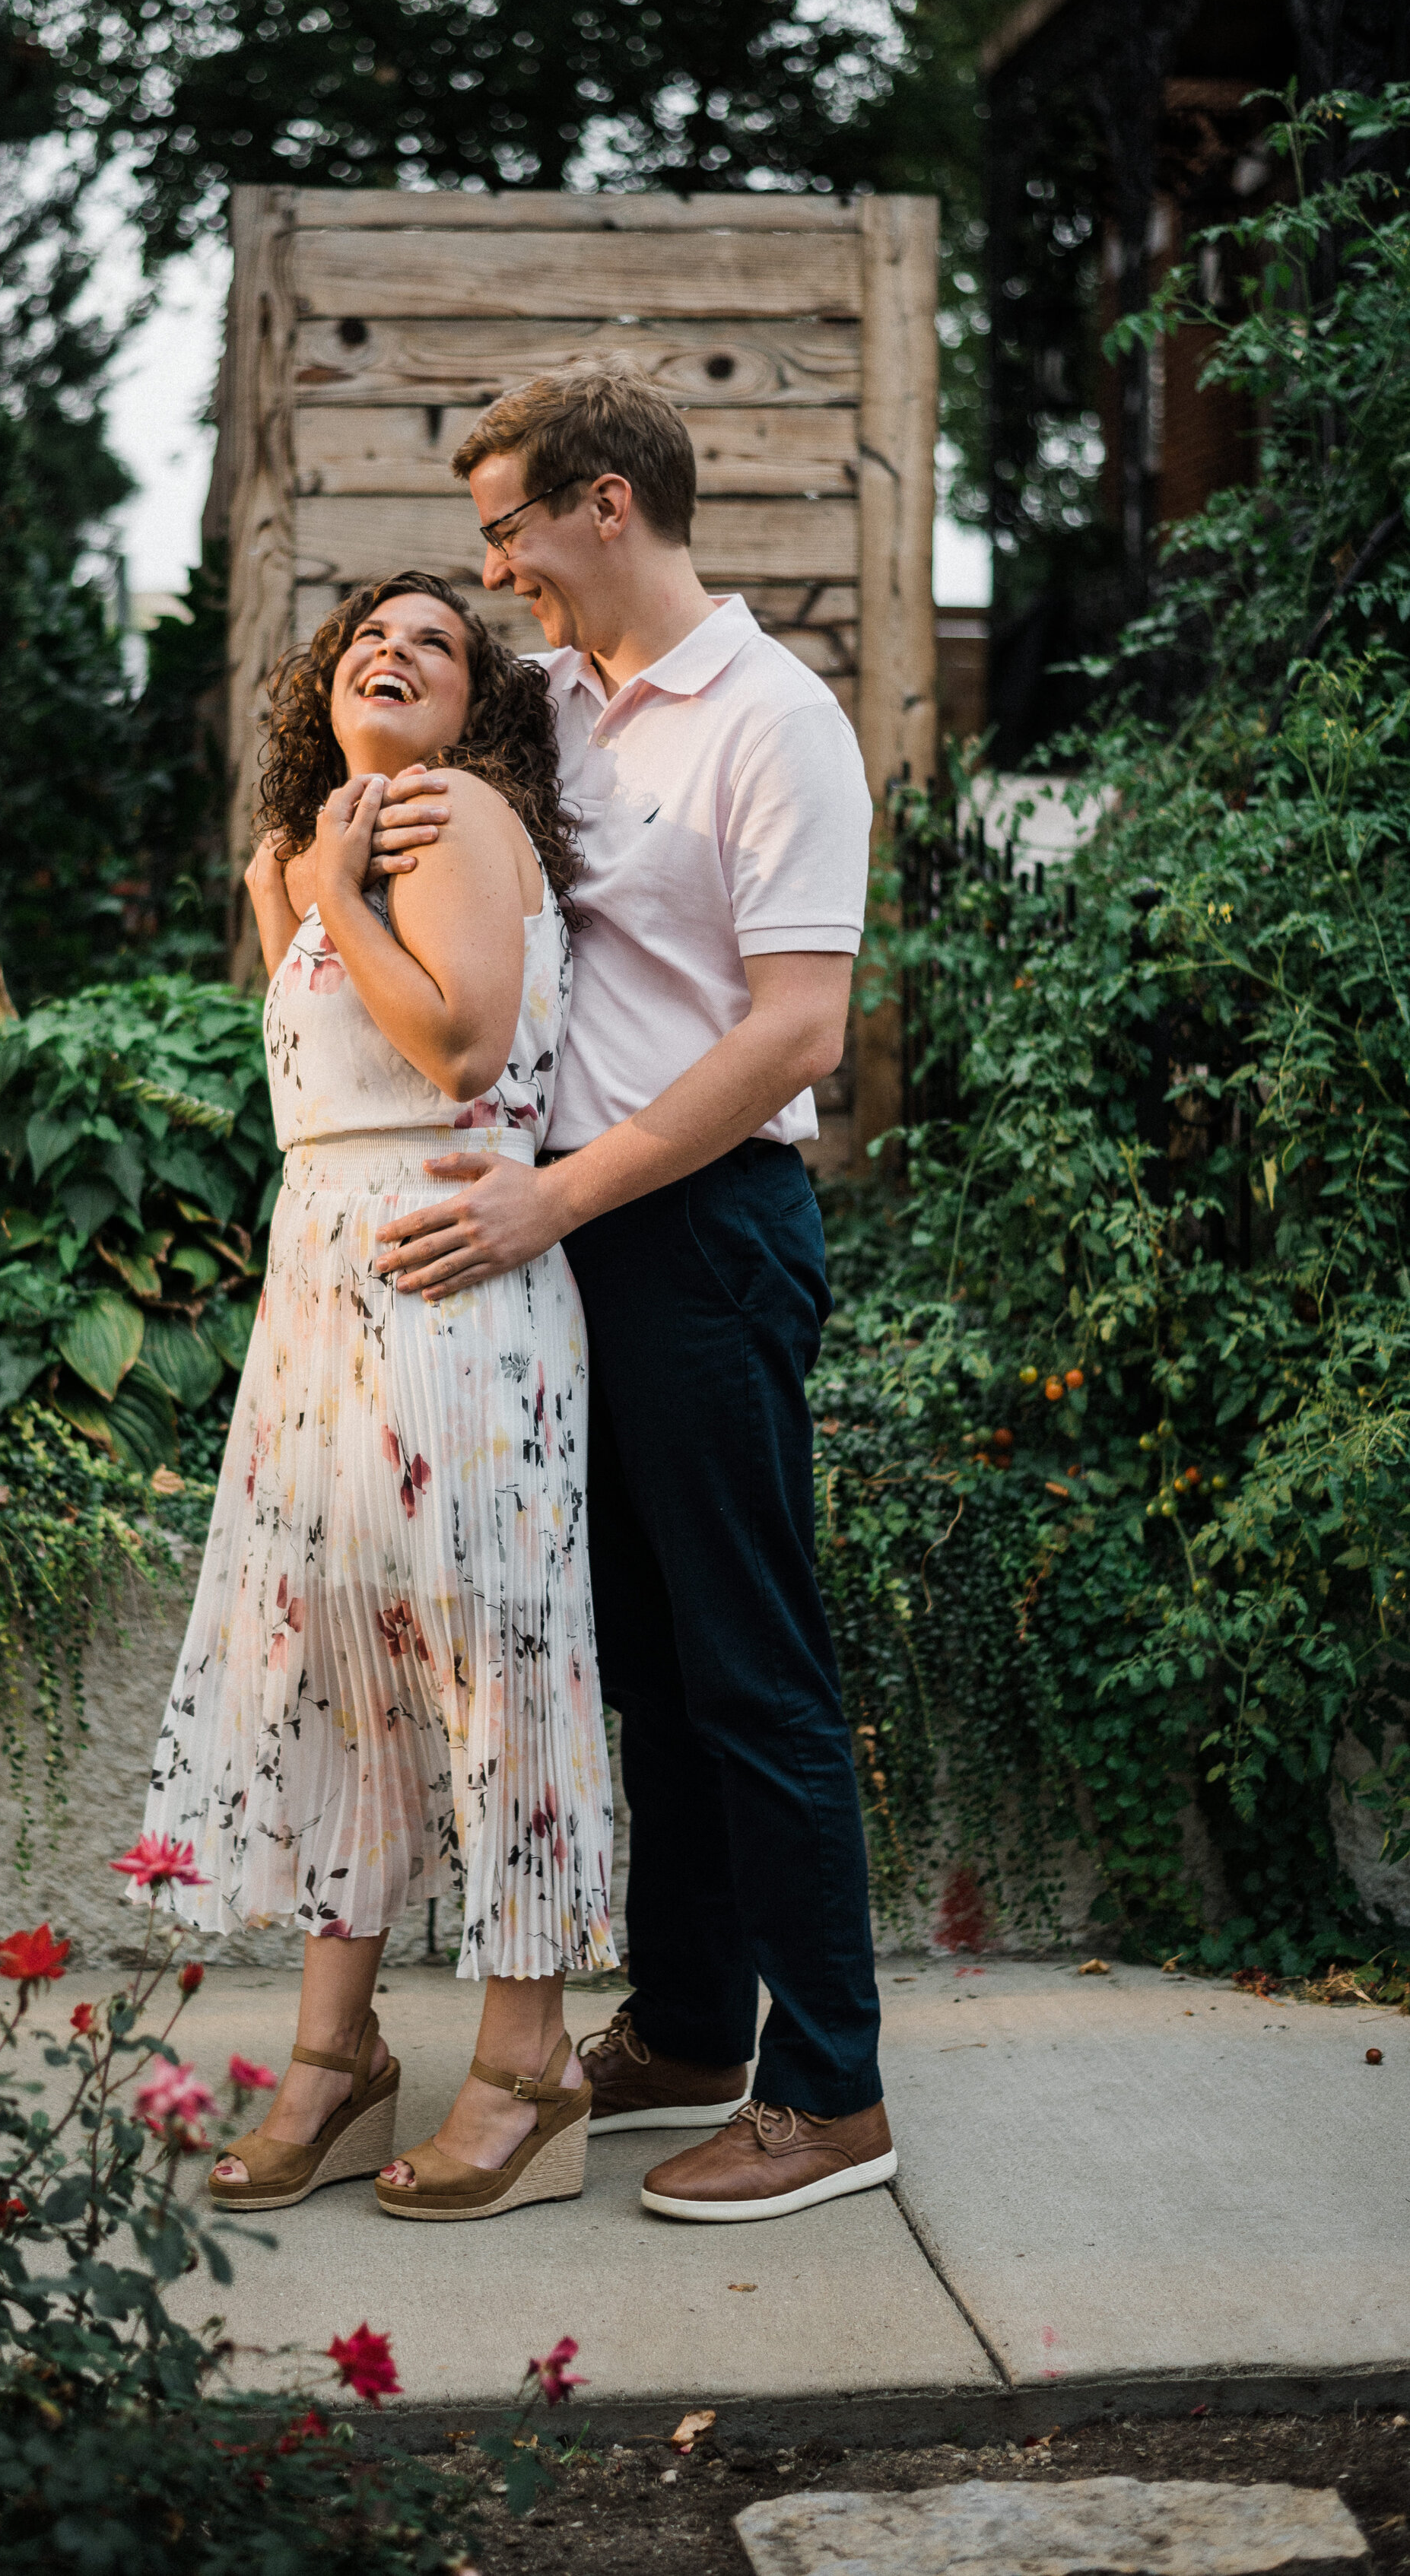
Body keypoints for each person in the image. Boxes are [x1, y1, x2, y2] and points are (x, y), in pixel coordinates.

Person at [367, 370, 894, 2225]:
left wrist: (560, 1200)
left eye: (508, 525)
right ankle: (686, 2027)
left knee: (752, 1669)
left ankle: (831, 2092)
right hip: (571, 1243)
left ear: (605, 505)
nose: (492, 564)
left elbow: (796, 1029)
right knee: (648, 1675)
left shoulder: (772, 720)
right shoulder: (564, 712)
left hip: (706, 1236)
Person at [135, 569, 617, 2225]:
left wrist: (333, 899)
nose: (394, 654)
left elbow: (463, 1053)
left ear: (475, 698)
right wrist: (308, 895)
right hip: (318, 1305)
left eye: (434, 639)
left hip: (453, 1286)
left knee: (493, 1669)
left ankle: (527, 2065)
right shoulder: (313, 855)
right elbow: (313, 1088)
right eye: (365, 639)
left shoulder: (460, 817)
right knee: (331, 1669)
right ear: (318, 694)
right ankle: (334, 2061)